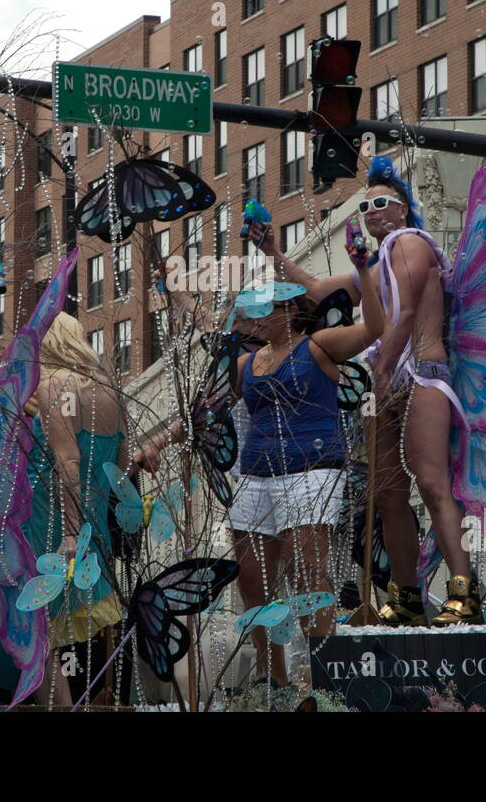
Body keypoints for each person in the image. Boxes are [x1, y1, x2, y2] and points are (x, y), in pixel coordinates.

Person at [139, 239, 383, 686]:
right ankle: (276, 681)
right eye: (252, 311)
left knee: (310, 575)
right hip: (254, 477)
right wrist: (157, 444)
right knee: (253, 581)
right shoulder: (247, 363)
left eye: (264, 309)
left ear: (289, 311)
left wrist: (364, 271)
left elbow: (373, 330)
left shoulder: (319, 346)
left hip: (312, 472)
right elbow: (203, 413)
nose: (255, 317)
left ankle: (324, 682)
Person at [256, 157, 479, 626]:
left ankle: (464, 589)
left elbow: (408, 309)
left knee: (431, 481)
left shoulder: (413, 242)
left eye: (382, 202)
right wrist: (273, 253)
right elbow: (321, 291)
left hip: (421, 372)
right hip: (386, 380)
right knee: (388, 492)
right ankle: (406, 595)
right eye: (365, 206)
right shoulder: (377, 264)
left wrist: (381, 368)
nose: (372, 212)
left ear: (402, 210)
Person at [0, 312, 125, 707]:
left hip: (47, 531)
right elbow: (119, 469)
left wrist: (70, 534)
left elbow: (67, 461)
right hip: (96, 534)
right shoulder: (111, 390)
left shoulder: (55, 385)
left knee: (39, 643)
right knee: (82, 648)